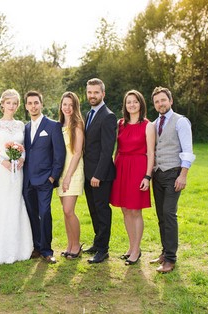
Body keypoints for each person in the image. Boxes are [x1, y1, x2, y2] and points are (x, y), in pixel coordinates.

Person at [0, 89, 33, 265]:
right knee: (0, 204)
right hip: (2, 171)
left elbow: (24, 148)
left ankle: (19, 248)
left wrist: (21, 160)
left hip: (18, 171)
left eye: (15, 103)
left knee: (15, 203)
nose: (12, 106)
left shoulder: (20, 125)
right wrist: (4, 161)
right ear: (2, 104)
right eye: (9, 103)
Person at [150, 86, 195, 273]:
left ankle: (170, 259)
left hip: (173, 174)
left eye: (163, 100)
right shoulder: (153, 124)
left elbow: (187, 151)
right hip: (157, 174)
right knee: (161, 215)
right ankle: (164, 252)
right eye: (157, 101)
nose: (160, 104)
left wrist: (183, 175)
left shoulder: (180, 122)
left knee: (169, 214)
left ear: (171, 101)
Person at [110, 90, 155, 265]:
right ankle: (131, 247)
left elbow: (151, 153)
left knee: (136, 210)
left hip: (138, 169)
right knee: (125, 210)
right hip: (121, 168)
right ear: (125, 105)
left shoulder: (147, 125)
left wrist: (147, 176)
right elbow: (117, 149)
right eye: (129, 102)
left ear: (141, 104)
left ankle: (136, 250)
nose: (132, 105)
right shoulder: (120, 123)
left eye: (135, 102)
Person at [23, 90, 66, 264]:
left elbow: (59, 153)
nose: (33, 106)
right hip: (27, 180)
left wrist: (53, 176)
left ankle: (47, 250)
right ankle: (36, 247)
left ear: (41, 104)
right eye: (30, 103)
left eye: (36, 103)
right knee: (32, 214)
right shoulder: (24, 128)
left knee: (45, 213)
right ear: (26, 106)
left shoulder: (52, 125)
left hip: (45, 179)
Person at [83, 78, 117, 264]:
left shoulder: (108, 116)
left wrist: (98, 175)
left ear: (103, 94)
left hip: (100, 175)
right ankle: (97, 243)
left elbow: (107, 150)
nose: (92, 95)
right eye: (90, 92)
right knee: (93, 210)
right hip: (88, 174)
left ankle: (103, 250)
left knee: (102, 211)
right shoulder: (89, 114)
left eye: (96, 92)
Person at [57, 92, 85, 259]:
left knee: (69, 210)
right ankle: (69, 244)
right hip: (61, 171)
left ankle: (76, 246)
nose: (67, 108)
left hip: (72, 172)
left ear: (75, 107)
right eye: (64, 104)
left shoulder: (77, 125)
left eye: (70, 105)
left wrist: (68, 177)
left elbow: (77, 153)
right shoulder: (60, 125)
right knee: (65, 211)